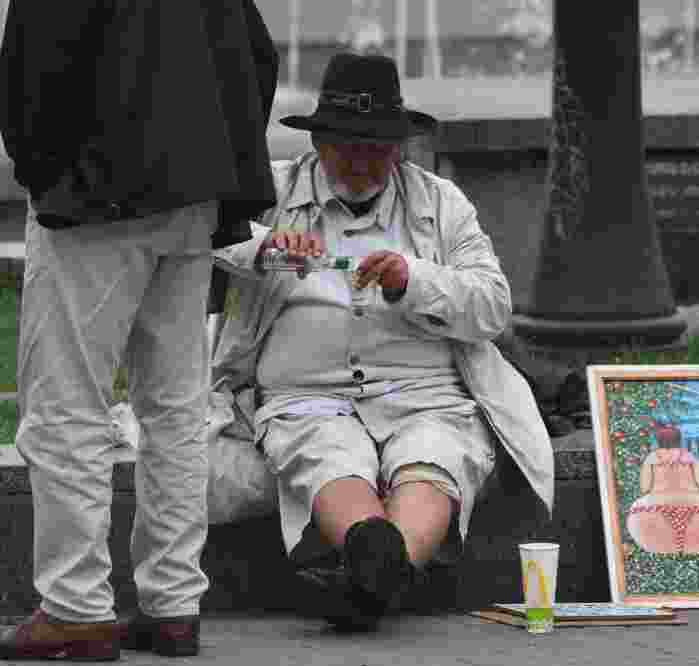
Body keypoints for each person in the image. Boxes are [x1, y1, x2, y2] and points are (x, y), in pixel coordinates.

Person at [0, 0, 278, 662]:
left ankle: (76, 608)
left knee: (65, 405)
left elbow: (31, 71)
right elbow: (257, 53)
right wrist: (221, 161)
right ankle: (172, 605)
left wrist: (43, 173)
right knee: (174, 408)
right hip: (197, 189)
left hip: (94, 192)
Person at [211, 52, 555, 631]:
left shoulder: (442, 203)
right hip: (305, 394)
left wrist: (412, 281)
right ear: (318, 141)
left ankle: (370, 573)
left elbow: (492, 304)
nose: (362, 162)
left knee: (436, 454)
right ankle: (379, 568)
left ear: (399, 146)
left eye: (376, 148)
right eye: (347, 146)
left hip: (426, 393)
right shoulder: (266, 188)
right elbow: (205, 235)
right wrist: (265, 249)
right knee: (325, 451)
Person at [626, 424, 699, 555]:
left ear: (659, 440)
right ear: (679, 440)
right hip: (698, 507)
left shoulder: (651, 458)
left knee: (639, 511)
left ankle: (666, 546)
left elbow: (645, 487)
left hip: (653, 507)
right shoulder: (690, 457)